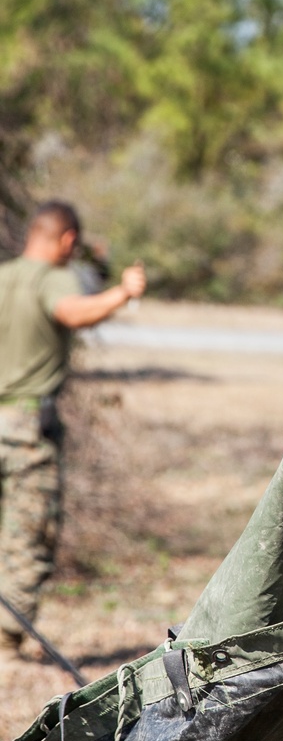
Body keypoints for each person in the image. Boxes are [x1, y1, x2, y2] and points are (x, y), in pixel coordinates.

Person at [0, 201, 146, 654]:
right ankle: (7, 633)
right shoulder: (53, 278)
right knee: (29, 528)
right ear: (66, 240)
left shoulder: (5, 275)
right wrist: (124, 292)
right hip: (26, 426)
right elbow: (73, 311)